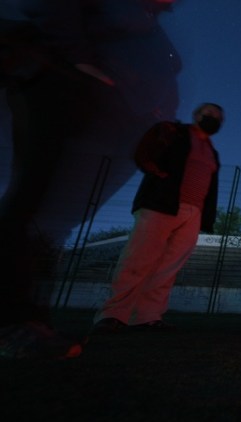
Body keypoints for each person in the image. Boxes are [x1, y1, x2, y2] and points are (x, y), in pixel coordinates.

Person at [0, 0, 181, 358]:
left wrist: (155, 110)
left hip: (95, 109)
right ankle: (10, 322)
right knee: (30, 203)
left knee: (48, 219)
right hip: (55, 83)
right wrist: (78, 56)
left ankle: (29, 319)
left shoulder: (148, 27)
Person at [90, 102, 223, 333]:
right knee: (138, 259)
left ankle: (147, 316)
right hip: (161, 204)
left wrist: (205, 215)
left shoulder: (212, 151)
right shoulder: (174, 132)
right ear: (196, 115)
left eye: (219, 117)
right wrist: (156, 173)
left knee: (168, 267)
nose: (214, 119)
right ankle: (113, 314)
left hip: (194, 213)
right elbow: (144, 151)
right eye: (209, 113)